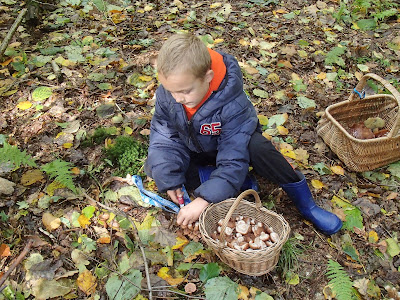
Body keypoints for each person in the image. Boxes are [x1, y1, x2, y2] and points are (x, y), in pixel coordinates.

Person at [144, 33, 342, 235]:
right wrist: (171, 180)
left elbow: (233, 156)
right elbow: (164, 138)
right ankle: (239, 182)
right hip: (196, 148)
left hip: (232, 148)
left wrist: (203, 201)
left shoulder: (232, 103)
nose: (177, 99)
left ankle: (306, 204)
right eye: (171, 91)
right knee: (158, 167)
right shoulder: (169, 94)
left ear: (208, 77)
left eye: (185, 91)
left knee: (258, 148)